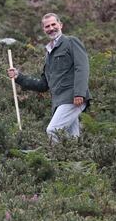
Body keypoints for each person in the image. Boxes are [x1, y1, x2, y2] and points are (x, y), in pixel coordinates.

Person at [7, 13, 91, 143]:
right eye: (47, 26)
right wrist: (19, 77)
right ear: (44, 30)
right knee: (73, 139)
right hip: (58, 102)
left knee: (53, 130)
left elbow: (82, 68)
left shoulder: (71, 42)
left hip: (73, 97)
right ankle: (74, 161)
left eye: (53, 24)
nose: (51, 28)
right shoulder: (48, 54)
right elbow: (43, 85)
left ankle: (56, 161)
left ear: (60, 25)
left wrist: (79, 93)